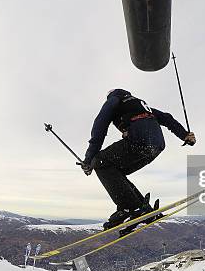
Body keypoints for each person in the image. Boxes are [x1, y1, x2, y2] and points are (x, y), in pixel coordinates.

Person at [79, 89, 196, 230]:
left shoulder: (115, 100)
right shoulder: (141, 105)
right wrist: (184, 135)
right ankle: (142, 208)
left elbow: (100, 124)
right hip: (156, 146)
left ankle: (130, 208)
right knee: (115, 171)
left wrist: (89, 158)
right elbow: (167, 118)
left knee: (101, 163)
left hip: (139, 140)